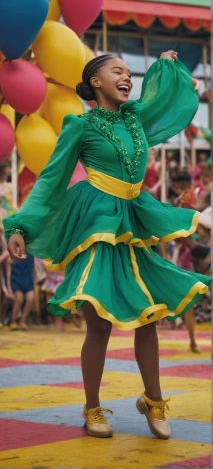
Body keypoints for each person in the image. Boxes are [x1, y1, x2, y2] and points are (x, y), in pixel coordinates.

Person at [4, 51, 211, 440]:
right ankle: (93, 407)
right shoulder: (79, 126)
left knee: (148, 316)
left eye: (128, 72)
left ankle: (153, 400)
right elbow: (50, 179)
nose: (126, 76)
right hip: (96, 222)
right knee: (97, 324)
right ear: (95, 82)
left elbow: (163, 101)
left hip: (133, 222)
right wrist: (18, 225)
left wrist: (165, 66)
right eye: (116, 70)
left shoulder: (135, 119)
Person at [10, 253, 34, 331]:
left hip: (28, 278)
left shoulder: (31, 254)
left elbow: (34, 267)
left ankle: (22, 321)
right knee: (19, 299)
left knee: (30, 298)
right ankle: (13, 321)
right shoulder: (13, 252)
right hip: (16, 278)